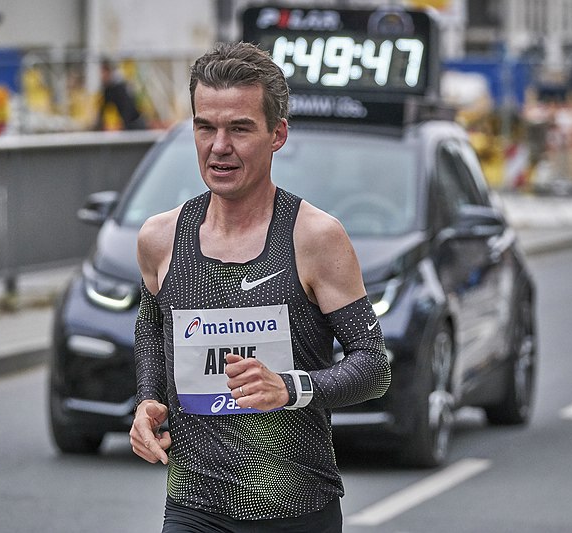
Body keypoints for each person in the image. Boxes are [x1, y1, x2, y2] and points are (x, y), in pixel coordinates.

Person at [130, 41, 391, 532]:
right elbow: (150, 328)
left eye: (239, 129)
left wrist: (289, 388)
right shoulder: (160, 239)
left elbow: (373, 366)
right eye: (205, 127)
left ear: (278, 135)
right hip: (194, 508)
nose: (219, 146)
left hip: (295, 507)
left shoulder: (314, 237)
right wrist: (146, 401)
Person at [95, 58, 146, 130]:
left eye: (103, 72)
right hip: (130, 125)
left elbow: (129, 109)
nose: (101, 76)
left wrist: (122, 125)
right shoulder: (109, 89)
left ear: (108, 72)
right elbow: (102, 109)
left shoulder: (118, 88)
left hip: (135, 125)